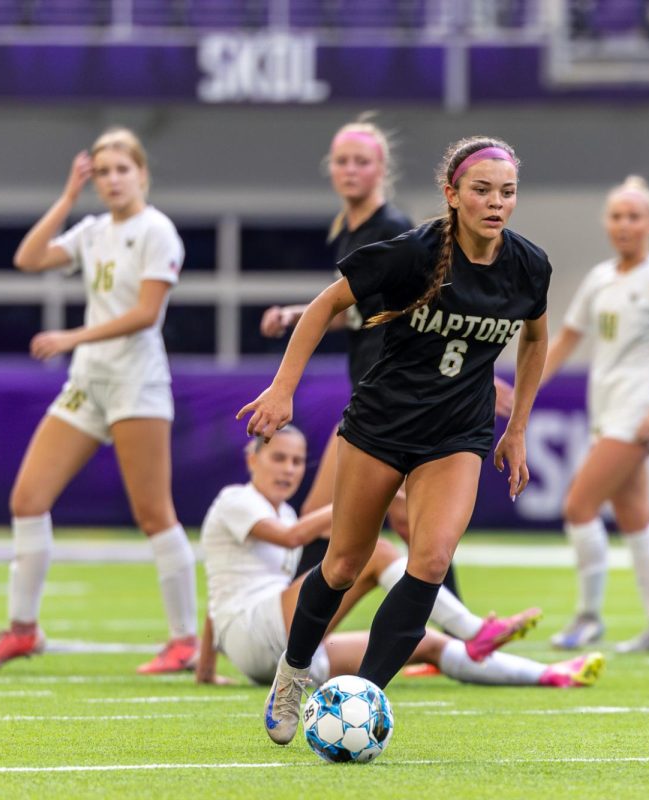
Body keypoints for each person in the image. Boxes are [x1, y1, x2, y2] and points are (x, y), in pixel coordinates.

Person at [237, 135, 552, 746]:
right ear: (452, 195)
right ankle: (294, 670)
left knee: (429, 562)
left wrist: (516, 430)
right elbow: (327, 304)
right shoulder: (411, 252)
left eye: (507, 192)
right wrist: (283, 388)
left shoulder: (528, 264)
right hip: (381, 425)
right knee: (344, 563)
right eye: (481, 190)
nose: (496, 203)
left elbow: (536, 340)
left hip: (456, 435)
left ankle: (364, 695)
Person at [0, 128, 199, 675]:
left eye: (122, 169)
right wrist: (68, 198)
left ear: (142, 174)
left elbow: (146, 314)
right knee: (27, 499)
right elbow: (27, 258)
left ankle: (184, 639)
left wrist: (71, 337)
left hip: (135, 382)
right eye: (102, 171)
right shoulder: (93, 228)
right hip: (88, 382)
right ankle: (23, 630)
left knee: (153, 513)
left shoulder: (157, 231)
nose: (113, 179)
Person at [259, 116, 511, 598]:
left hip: (391, 395)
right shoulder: (351, 230)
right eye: (342, 161)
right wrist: (298, 314)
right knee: (407, 523)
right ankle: (459, 632)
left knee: (324, 517)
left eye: (362, 161)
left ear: (382, 170)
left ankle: (288, 627)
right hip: (378, 391)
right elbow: (361, 310)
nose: (350, 170)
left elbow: (439, 306)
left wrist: (472, 370)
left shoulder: (391, 228)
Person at [195, 429, 601, 691]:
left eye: (297, 461)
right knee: (376, 551)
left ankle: (547, 675)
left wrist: (206, 671)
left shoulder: (281, 510)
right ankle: (473, 628)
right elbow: (292, 536)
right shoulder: (236, 500)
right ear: (252, 460)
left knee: (422, 643)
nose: (288, 469)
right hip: (255, 634)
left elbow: (217, 594)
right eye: (277, 458)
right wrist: (367, 498)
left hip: (282, 654)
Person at [540, 176, 649, 653]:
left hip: (637, 412)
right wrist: (526, 389)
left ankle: (588, 618)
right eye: (616, 216)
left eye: (634, 216)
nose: (624, 225)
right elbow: (568, 339)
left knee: (578, 505)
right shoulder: (599, 278)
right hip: (608, 410)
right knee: (635, 518)